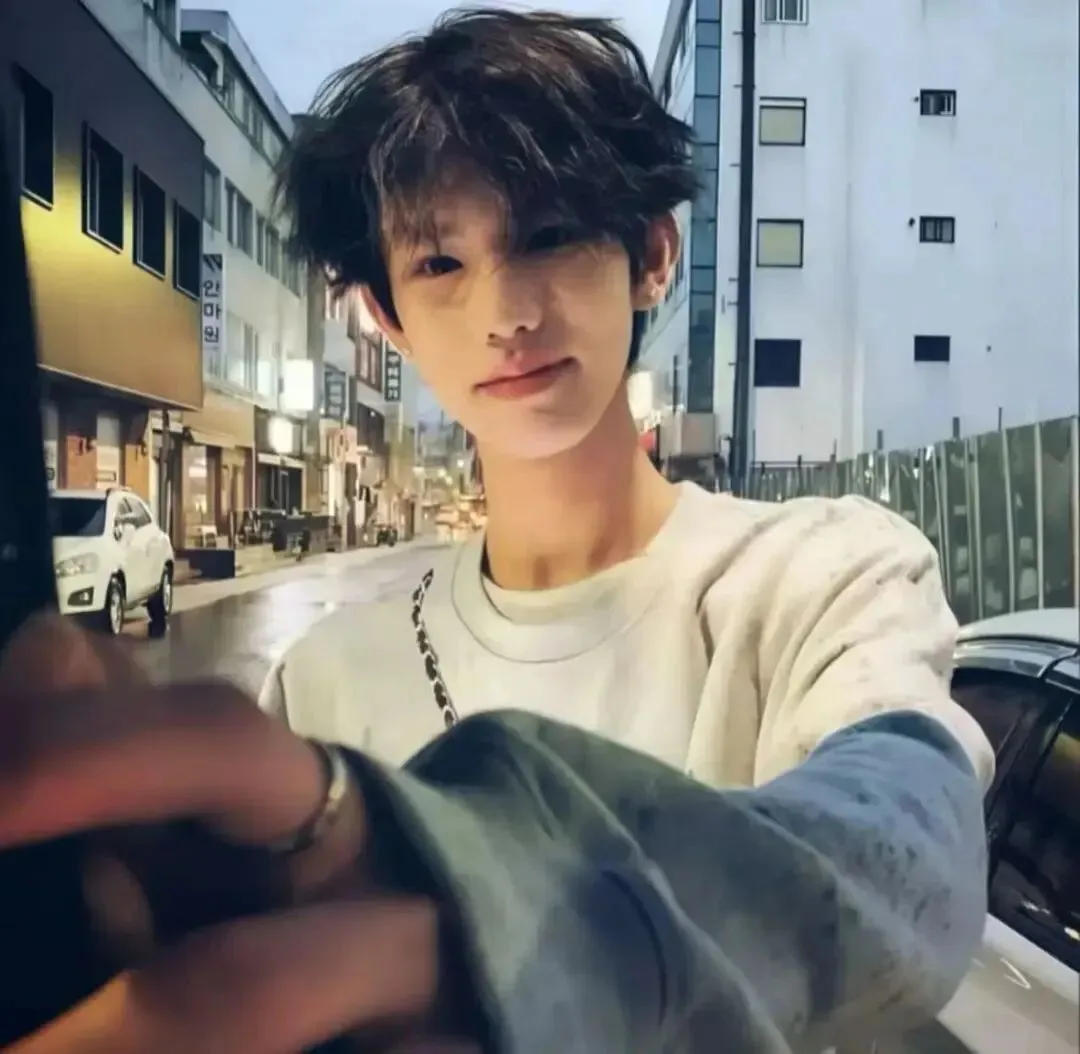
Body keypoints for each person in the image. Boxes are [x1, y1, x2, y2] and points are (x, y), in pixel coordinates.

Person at [0, 9, 992, 1054]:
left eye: (549, 235)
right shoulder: (326, 678)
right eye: (440, 264)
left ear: (652, 254)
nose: (507, 312)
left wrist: (504, 926)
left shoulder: (822, 575)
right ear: (386, 314)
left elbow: (905, 846)